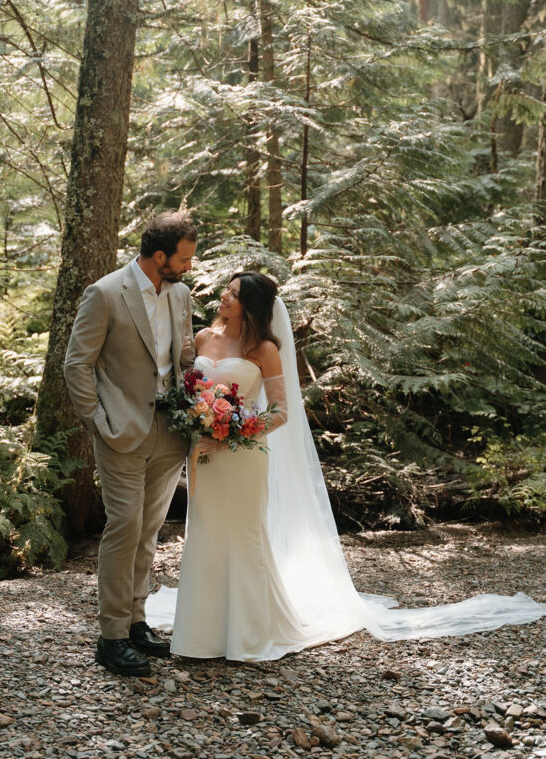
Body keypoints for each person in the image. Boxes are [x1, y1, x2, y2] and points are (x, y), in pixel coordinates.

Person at [147, 272, 546, 662]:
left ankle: (248, 636)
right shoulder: (204, 338)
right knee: (205, 534)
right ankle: (200, 636)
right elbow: (190, 391)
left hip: (242, 455)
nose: (223, 296)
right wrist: (199, 423)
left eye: (233, 293)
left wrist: (233, 431)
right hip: (203, 455)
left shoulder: (263, 349)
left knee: (243, 535)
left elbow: (281, 412)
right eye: (226, 290)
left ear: (250, 306)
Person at [64, 212, 197, 676]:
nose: (188, 267)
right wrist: (98, 421)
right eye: (184, 259)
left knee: (148, 529)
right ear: (159, 256)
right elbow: (77, 364)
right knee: (124, 526)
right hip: (120, 431)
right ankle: (112, 636)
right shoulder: (104, 293)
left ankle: (137, 622)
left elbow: (184, 357)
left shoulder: (180, 293)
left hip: (170, 430)